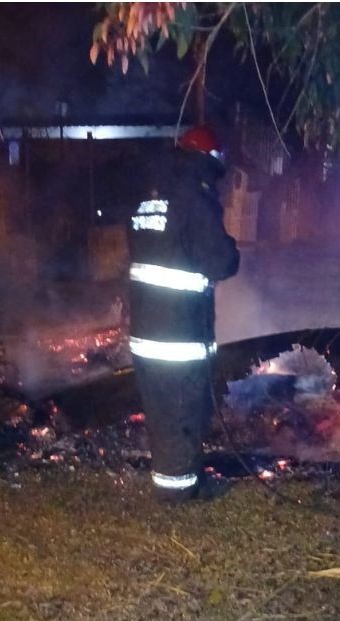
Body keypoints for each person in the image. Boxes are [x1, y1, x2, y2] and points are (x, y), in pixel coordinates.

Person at [126, 125, 240, 502]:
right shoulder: (195, 198)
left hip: (145, 332)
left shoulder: (148, 198)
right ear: (208, 161)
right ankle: (181, 491)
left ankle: (167, 483)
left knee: (161, 412)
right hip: (180, 333)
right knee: (185, 411)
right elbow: (220, 261)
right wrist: (231, 248)